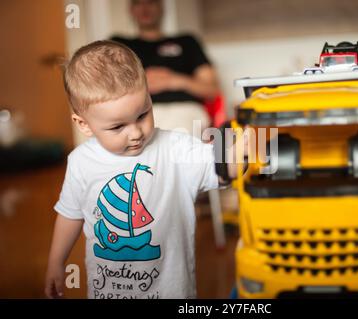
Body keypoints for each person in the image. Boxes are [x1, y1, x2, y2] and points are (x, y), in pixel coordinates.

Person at [44, 40, 233, 299]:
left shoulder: (175, 148)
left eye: (143, 115)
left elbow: (219, 165)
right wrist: (56, 261)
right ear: (83, 124)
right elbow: (70, 214)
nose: (135, 133)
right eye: (117, 127)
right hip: (106, 293)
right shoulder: (80, 162)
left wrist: (239, 150)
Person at [112, 0, 221, 135]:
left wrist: (174, 80)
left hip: (185, 110)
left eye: (150, 3)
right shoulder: (119, 45)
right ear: (131, 9)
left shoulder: (187, 42)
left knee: (178, 136)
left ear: (162, 7)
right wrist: (142, 84)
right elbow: (105, 89)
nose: (145, 8)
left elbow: (212, 90)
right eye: (138, 3)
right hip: (138, 112)